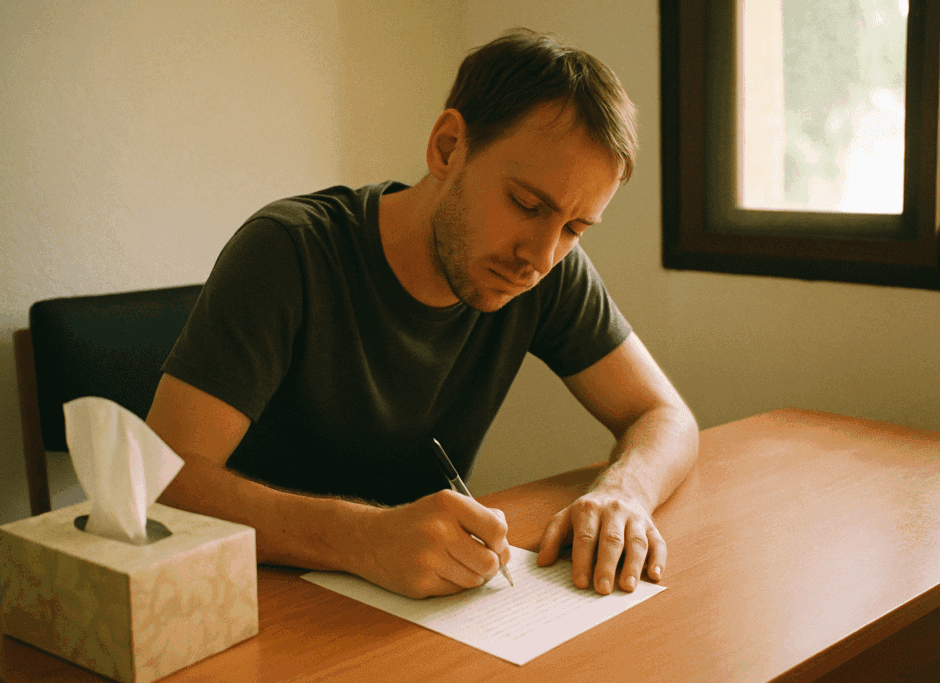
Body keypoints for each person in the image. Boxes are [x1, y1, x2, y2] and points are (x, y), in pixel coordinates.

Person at [146, 28, 698, 600]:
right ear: (448, 147)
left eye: (575, 228)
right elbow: (164, 481)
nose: (540, 257)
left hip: (420, 609)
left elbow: (664, 415)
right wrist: (361, 537)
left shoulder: (547, 266)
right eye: (526, 205)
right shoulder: (289, 251)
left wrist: (626, 491)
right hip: (257, 601)